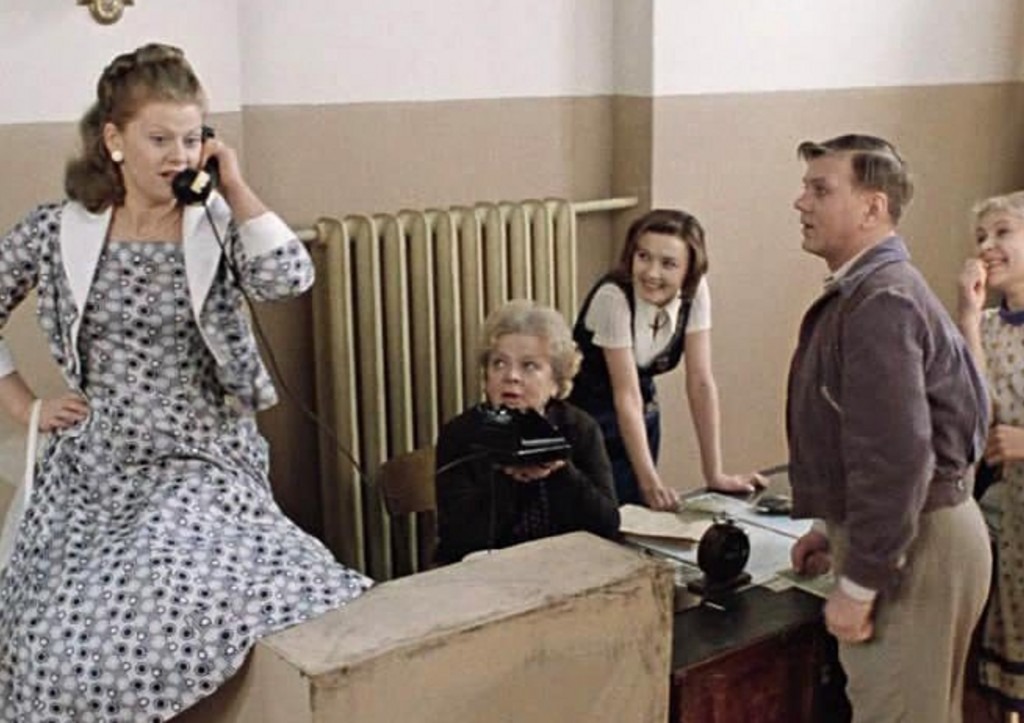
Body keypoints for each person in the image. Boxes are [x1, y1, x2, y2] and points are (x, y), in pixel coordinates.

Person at [0, 43, 371, 722]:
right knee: (44, 634)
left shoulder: (216, 225)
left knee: (177, 584)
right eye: (160, 138)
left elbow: (289, 278)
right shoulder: (59, 230)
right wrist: (25, 405)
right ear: (114, 141)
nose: (179, 154)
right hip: (98, 459)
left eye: (193, 137)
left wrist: (233, 185)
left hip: (201, 453)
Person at [787, 133, 992, 723]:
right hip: (918, 533)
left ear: (872, 207)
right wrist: (832, 524)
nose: (801, 202)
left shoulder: (881, 302)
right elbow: (874, 430)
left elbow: (897, 458)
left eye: (820, 190)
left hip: (918, 543)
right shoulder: (876, 290)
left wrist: (861, 580)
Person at [567, 209, 764, 511]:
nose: (651, 273)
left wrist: (714, 474)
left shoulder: (695, 291)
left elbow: (700, 381)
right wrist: (650, 483)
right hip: (590, 420)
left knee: (639, 515)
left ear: (689, 270)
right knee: (604, 516)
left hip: (641, 413)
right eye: (643, 256)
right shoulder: (612, 298)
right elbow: (625, 395)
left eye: (668, 264)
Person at [435, 299, 620, 565]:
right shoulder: (461, 434)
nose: (511, 376)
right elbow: (458, 540)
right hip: (486, 575)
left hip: (564, 569)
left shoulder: (579, 428)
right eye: (499, 363)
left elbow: (607, 526)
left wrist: (559, 471)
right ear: (486, 375)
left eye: (529, 365)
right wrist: (508, 477)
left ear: (556, 381)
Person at [957, 190, 1024, 719]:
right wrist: (967, 315)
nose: (987, 246)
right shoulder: (986, 326)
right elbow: (973, 412)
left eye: (1003, 232)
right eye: (981, 236)